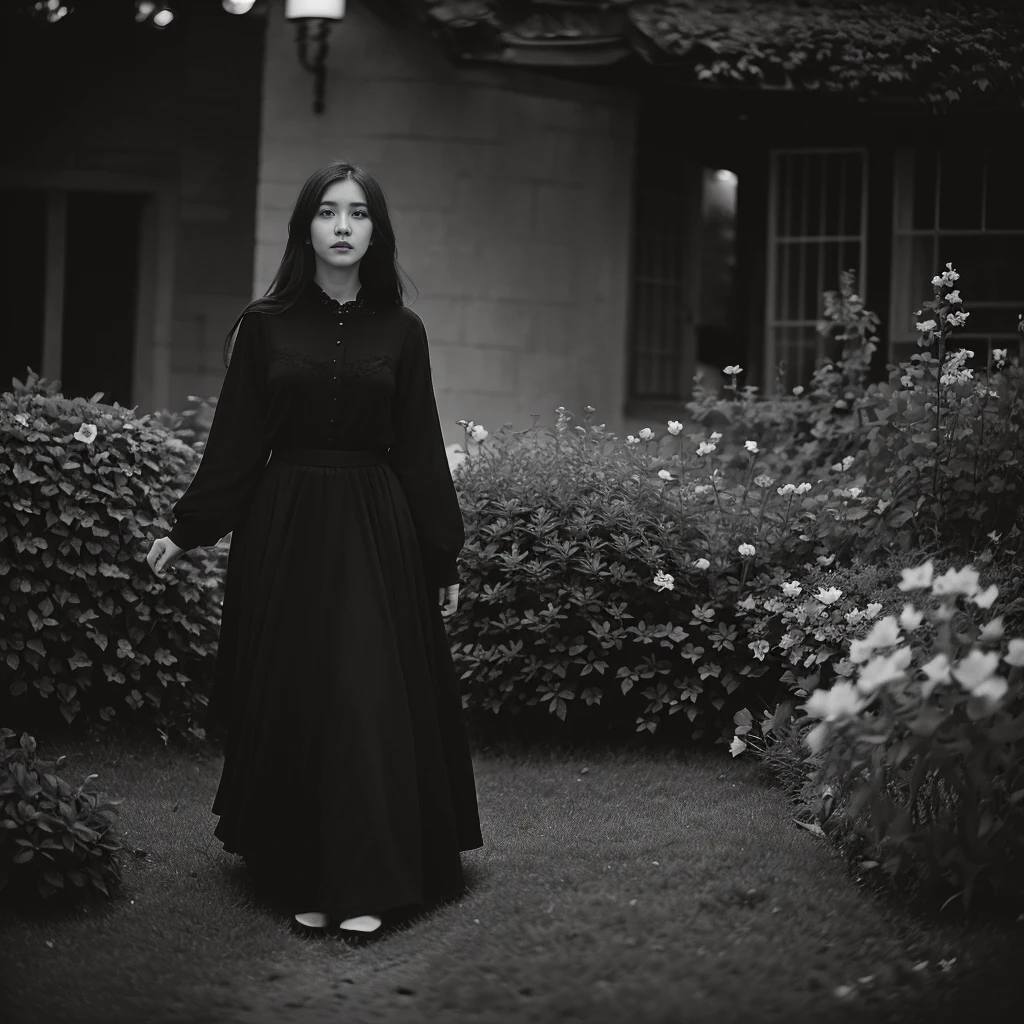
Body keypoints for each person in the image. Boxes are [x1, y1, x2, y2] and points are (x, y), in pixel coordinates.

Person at [145, 161, 483, 939]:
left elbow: (421, 451)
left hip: (374, 529)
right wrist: (185, 528)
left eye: (357, 213)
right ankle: (301, 870)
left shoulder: (404, 331)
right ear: (305, 229)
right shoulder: (263, 327)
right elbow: (235, 444)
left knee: (363, 697)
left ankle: (367, 880)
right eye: (327, 212)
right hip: (286, 528)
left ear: (375, 231)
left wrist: (443, 556)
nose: (341, 225)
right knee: (302, 696)